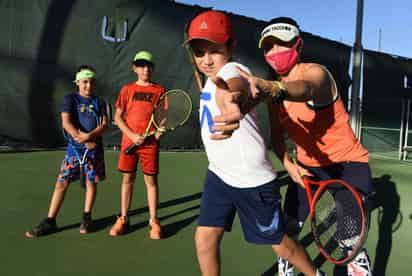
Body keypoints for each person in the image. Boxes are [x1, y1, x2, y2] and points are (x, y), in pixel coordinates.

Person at [185, 10, 326, 276]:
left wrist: (233, 96)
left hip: (252, 180)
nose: (206, 59)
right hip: (219, 174)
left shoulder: (232, 70)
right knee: (205, 239)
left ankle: (315, 274)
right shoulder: (209, 77)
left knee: (280, 244)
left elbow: (236, 83)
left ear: (231, 47)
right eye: (199, 52)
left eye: (213, 50)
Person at [232, 17, 374, 276]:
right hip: (308, 168)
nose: (276, 52)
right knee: (288, 230)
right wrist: (288, 164)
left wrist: (275, 88)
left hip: (348, 165)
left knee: (349, 241)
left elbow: (306, 88)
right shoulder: (271, 95)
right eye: (269, 47)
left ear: (298, 45)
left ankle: (358, 266)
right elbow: (277, 139)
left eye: (282, 45)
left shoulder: (316, 73)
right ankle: (288, 268)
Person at [25, 65, 108, 237]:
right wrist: (79, 137)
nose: (88, 86)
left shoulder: (100, 102)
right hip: (74, 151)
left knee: (91, 184)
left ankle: (87, 217)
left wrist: (90, 136)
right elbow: (66, 123)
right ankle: (50, 221)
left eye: (92, 82)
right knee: (61, 183)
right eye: (85, 82)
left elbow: (104, 125)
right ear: (77, 82)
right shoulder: (70, 99)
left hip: (94, 151)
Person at [109, 50, 165, 239]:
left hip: (150, 145)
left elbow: (163, 117)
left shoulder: (159, 90)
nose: (145, 69)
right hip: (128, 143)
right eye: (141, 65)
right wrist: (132, 136)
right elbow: (117, 116)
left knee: (151, 182)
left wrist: (158, 132)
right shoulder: (127, 89)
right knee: (127, 180)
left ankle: (154, 221)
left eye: (148, 65)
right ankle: (123, 218)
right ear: (135, 68)